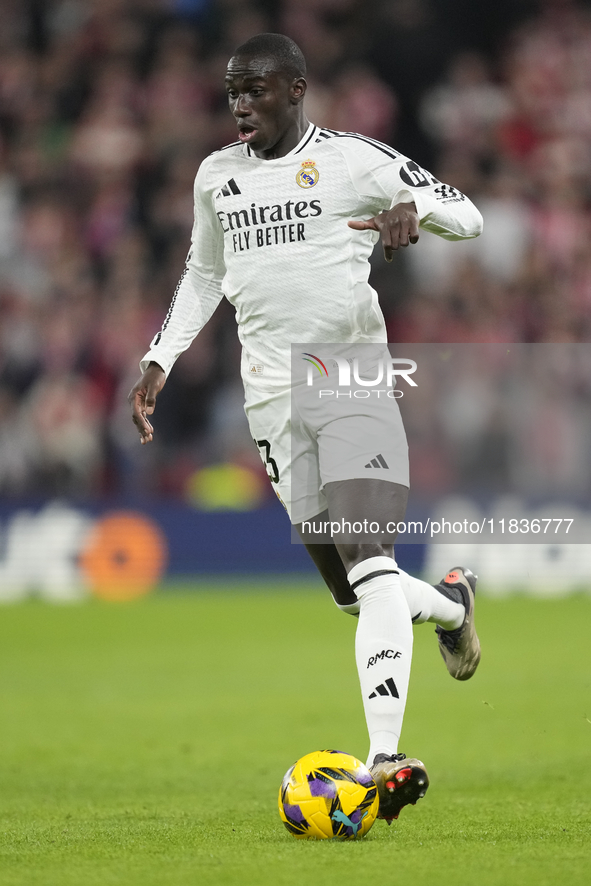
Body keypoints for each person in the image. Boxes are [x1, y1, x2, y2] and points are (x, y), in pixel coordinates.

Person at [129, 33, 483, 825]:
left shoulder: (356, 160)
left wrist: (411, 205)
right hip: (270, 398)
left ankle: (384, 759)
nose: (239, 104)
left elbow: (468, 214)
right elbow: (203, 272)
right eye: (231, 91)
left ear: (295, 89)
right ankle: (453, 609)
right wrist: (160, 358)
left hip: (348, 374)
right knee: (351, 591)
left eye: (254, 88)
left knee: (368, 557)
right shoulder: (216, 176)